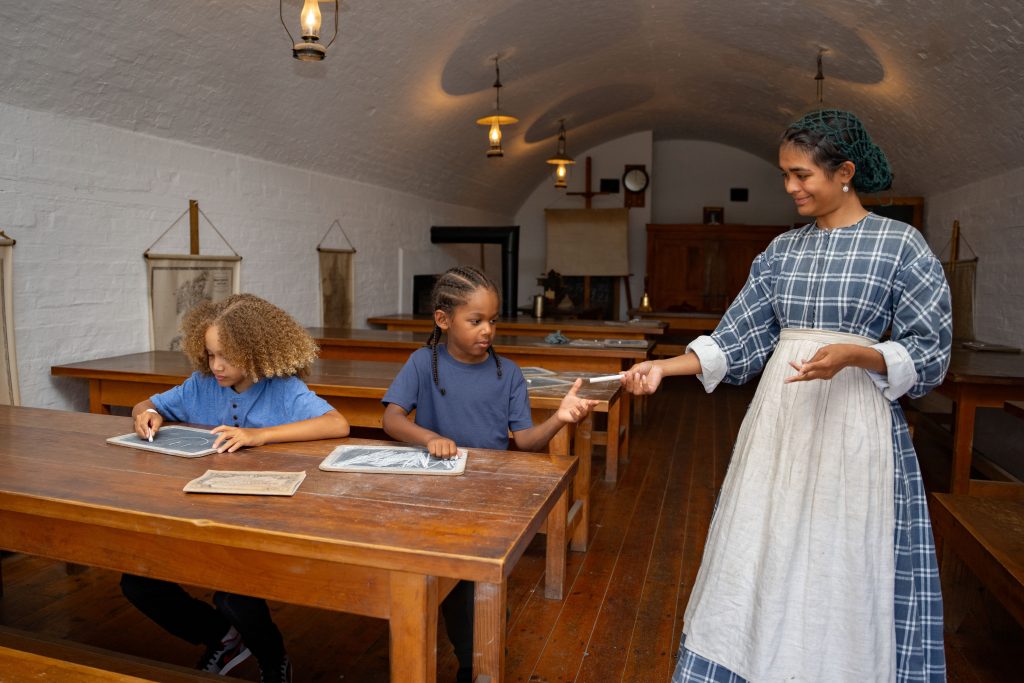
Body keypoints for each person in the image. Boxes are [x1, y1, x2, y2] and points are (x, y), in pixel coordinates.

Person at [623, 110, 952, 682]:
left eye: (802, 175)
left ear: (844, 172)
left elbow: (931, 351)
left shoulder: (901, 246)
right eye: (785, 175)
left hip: (856, 429)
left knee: (841, 553)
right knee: (765, 544)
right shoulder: (780, 251)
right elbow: (739, 336)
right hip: (780, 425)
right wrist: (665, 367)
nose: (791, 187)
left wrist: (858, 354)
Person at [381, 265, 598, 683]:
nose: (487, 331)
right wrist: (429, 437)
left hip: (489, 497)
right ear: (443, 320)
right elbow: (391, 419)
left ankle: (474, 659)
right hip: (436, 493)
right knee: (456, 586)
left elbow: (525, 442)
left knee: (472, 587)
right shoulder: (422, 363)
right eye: (476, 321)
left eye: (493, 321)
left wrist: (559, 418)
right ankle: (472, 655)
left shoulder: (508, 373)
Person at [122, 293, 350, 683]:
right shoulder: (201, 385)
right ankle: (222, 639)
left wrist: (259, 435)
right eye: (210, 355)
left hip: (257, 517)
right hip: (196, 512)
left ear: (257, 350)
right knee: (137, 583)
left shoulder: (283, 389)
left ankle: (272, 658)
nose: (217, 366)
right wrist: (146, 414)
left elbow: (337, 424)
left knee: (233, 594)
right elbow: (146, 403)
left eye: (227, 356)